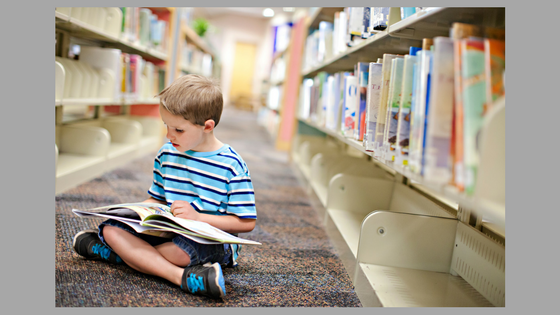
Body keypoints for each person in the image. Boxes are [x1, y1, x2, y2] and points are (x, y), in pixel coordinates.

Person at [72, 74, 257, 299]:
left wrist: (198, 218)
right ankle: (184, 276)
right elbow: (157, 198)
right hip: (168, 229)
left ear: (208, 126)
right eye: (166, 126)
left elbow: (246, 222)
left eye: (178, 130)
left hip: (210, 239)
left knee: (179, 253)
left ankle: (129, 259)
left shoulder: (232, 165)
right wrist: (138, 212)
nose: (169, 136)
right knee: (111, 229)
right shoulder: (167, 154)